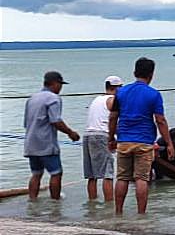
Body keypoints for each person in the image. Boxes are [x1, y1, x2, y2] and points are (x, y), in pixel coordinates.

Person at [108, 57, 175, 215]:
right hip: (144, 142)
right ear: (151, 75)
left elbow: (113, 117)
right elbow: (160, 120)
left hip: (124, 140)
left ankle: (118, 213)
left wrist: (111, 138)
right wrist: (169, 143)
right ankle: (141, 215)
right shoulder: (154, 94)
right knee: (142, 179)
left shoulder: (121, 92)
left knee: (123, 177)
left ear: (134, 72)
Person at [23, 71, 80, 201]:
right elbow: (55, 121)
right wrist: (71, 133)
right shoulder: (53, 98)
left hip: (31, 143)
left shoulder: (32, 98)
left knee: (36, 174)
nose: (61, 87)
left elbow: (26, 123)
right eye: (60, 84)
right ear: (54, 83)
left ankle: (32, 200)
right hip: (46, 143)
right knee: (56, 173)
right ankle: (55, 201)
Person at [83, 75, 123, 201]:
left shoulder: (97, 99)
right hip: (102, 136)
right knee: (108, 174)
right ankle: (109, 204)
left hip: (88, 135)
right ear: (116, 88)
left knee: (92, 175)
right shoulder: (112, 100)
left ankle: (92, 202)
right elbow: (113, 121)